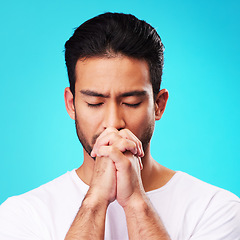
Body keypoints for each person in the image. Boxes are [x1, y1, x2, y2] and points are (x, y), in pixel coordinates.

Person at [0, 12, 239, 240]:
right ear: (72, 104)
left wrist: (136, 202)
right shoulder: (22, 215)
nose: (113, 122)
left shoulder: (217, 209)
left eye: (131, 102)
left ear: (158, 105)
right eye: (95, 103)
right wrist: (95, 202)